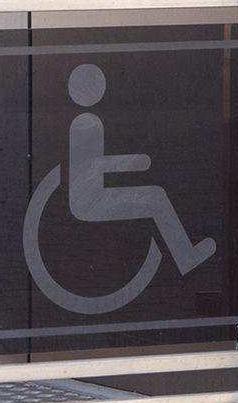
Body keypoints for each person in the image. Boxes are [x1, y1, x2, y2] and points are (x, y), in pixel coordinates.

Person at [62, 62, 217, 274]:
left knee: (155, 194)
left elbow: (94, 167)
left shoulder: (85, 120)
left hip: (92, 194)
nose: (100, 88)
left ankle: (185, 254)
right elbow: (94, 167)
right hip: (89, 201)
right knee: (155, 197)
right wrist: (135, 162)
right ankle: (185, 256)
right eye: (95, 84)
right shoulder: (87, 123)